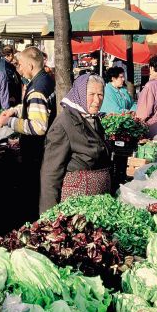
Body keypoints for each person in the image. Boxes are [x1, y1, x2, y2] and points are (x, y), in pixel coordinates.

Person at [0, 46, 56, 221]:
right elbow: (35, 107)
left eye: (20, 64)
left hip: (37, 151)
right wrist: (14, 111)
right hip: (45, 148)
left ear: (30, 65)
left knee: (32, 192)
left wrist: (10, 122)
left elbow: (38, 126)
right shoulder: (46, 80)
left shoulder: (37, 88)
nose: (18, 68)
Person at [39, 74, 111, 213]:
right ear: (80, 94)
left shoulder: (92, 119)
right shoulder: (64, 124)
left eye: (100, 94)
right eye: (91, 94)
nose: (97, 100)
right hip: (76, 207)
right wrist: (49, 217)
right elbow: (50, 174)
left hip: (94, 206)